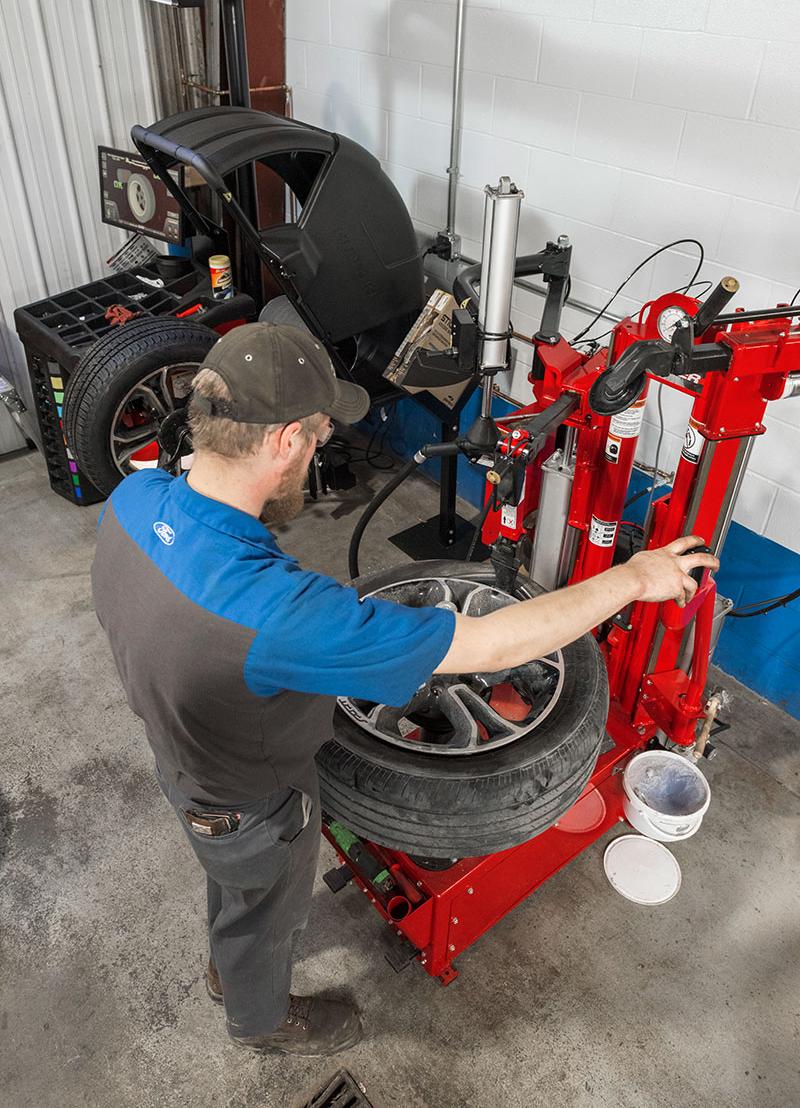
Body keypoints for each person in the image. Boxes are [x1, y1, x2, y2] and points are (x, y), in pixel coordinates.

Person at [91, 322, 719, 1058]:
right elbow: (489, 644)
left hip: (181, 758)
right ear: (287, 440)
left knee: (237, 888)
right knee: (268, 905)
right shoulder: (279, 613)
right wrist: (632, 578)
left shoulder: (133, 502)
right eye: (321, 436)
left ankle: (232, 966)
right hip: (251, 802)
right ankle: (258, 1019)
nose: (320, 450)